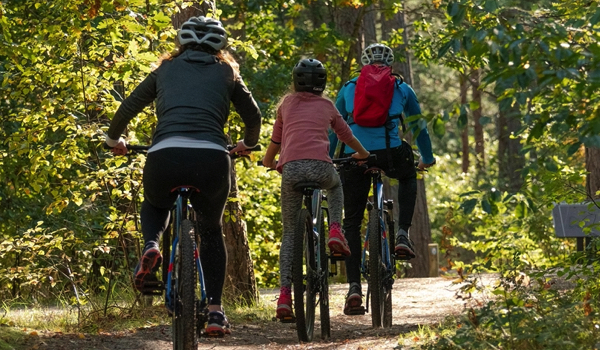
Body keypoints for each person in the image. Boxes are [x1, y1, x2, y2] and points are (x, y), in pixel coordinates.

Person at [103, 16, 262, 337]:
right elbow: (253, 115)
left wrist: (113, 140)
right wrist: (249, 143)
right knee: (212, 231)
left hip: (165, 154)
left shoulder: (164, 69)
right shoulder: (227, 71)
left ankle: (151, 245)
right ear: (221, 46)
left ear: (182, 42)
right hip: (212, 158)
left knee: (155, 203)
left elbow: (130, 105)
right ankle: (216, 311)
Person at [261, 58, 370, 320]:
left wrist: (269, 162)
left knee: (289, 234)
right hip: (322, 168)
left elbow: (277, 139)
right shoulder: (328, 106)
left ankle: (285, 296)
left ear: (295, 81)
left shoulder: (286, 105)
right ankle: (335, 229)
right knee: (335, 185)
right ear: (322, 84)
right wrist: (363, 154)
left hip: (291, 171)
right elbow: (346, 135)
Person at [332, 43, 435, 315]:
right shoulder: (402, 88)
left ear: (364, 63)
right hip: (391, 154)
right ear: (389, 63)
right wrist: (427, 157)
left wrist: (331, 156)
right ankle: (402, 233)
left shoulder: (349, 87)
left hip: (355, 156)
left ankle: (354, 287)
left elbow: (334, 126)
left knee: (351, 221)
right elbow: (418, 126)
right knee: (408, 175)